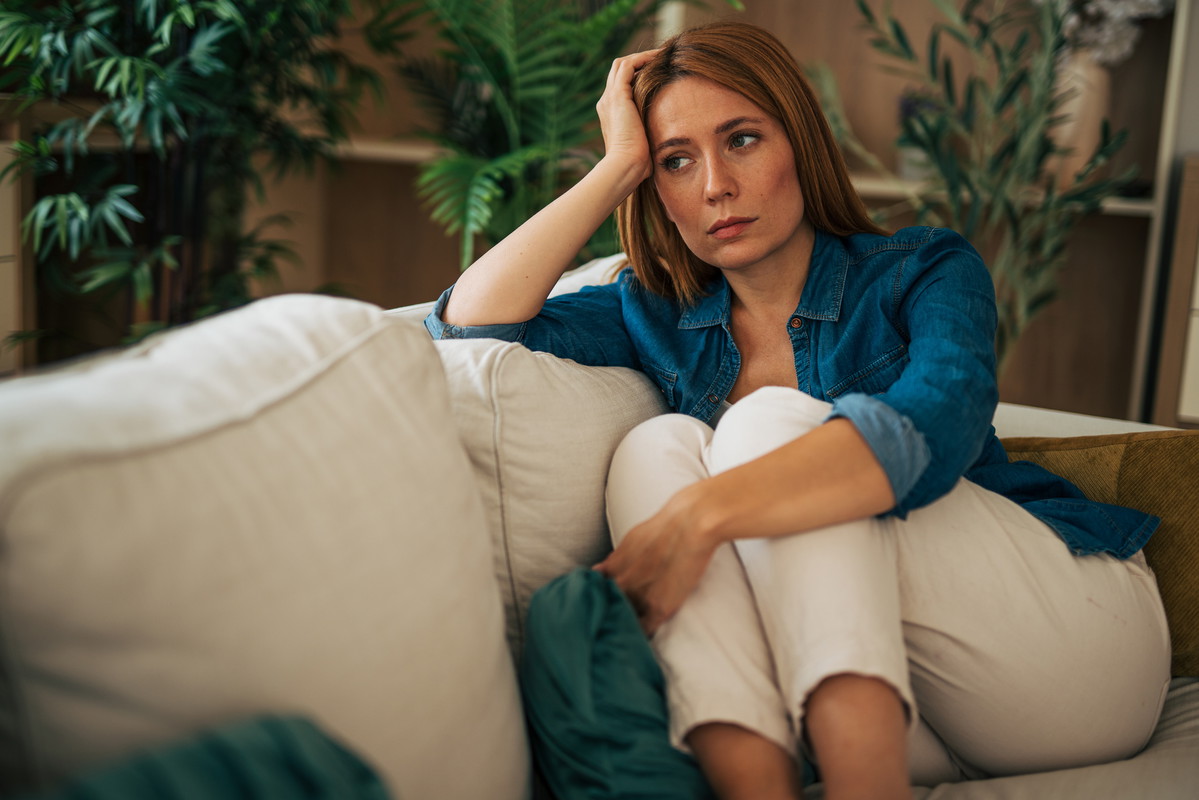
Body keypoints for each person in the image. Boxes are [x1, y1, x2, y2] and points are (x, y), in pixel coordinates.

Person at [424, 20, 1170, 800]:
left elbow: (938, 422)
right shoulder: (655, 313)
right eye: (677, 161)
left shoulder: (922, 269)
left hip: (1072, 657)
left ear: (800, 144)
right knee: (655, 444)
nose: (713, 184)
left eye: (741, 140)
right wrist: (616, 166)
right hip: (915, 713)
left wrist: (701, 516)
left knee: (765, 423)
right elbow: (472, 326)